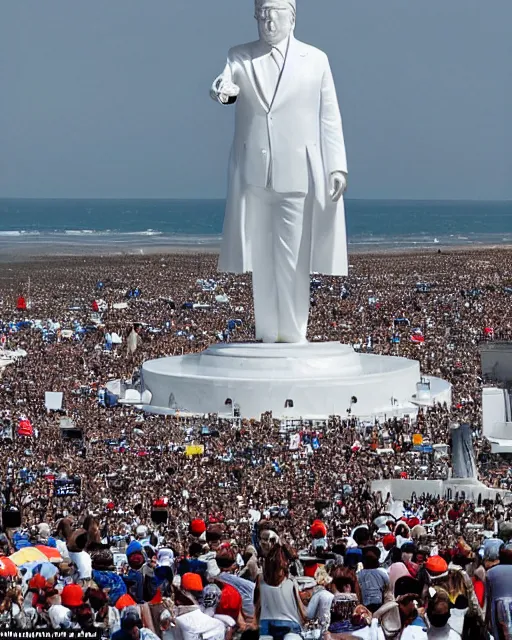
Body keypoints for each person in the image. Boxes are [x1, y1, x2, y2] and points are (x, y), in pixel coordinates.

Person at [211, 0, 348, 343]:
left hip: (297, 173)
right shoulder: (240, 56)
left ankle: (294, 331)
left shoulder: (316, 60)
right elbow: (224, 86)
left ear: (292, 15)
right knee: (261, 257)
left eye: (274, 12)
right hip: (255, 173)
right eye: (262, 13)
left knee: (293, 259)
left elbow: (329, 118)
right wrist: (222, 92)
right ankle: (267, 331)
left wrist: (337, 166)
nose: (268, 20)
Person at [256, 544, 304, 636]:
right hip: (290, 624)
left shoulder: (260, 579)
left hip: (265, 624)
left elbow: (257, 606)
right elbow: (302, 612)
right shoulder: (291, 581)